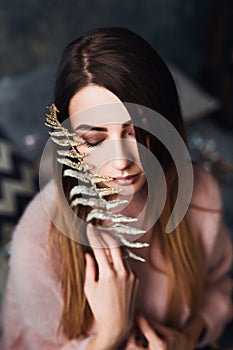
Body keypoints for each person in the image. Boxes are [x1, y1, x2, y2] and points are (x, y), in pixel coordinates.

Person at [0, 27, 232, 350]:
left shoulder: (199, 194)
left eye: (135, 133)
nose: (120, 162)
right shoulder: (40, 239)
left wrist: (187, 338)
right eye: (94, 141)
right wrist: (110, 335)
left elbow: (219, 288)